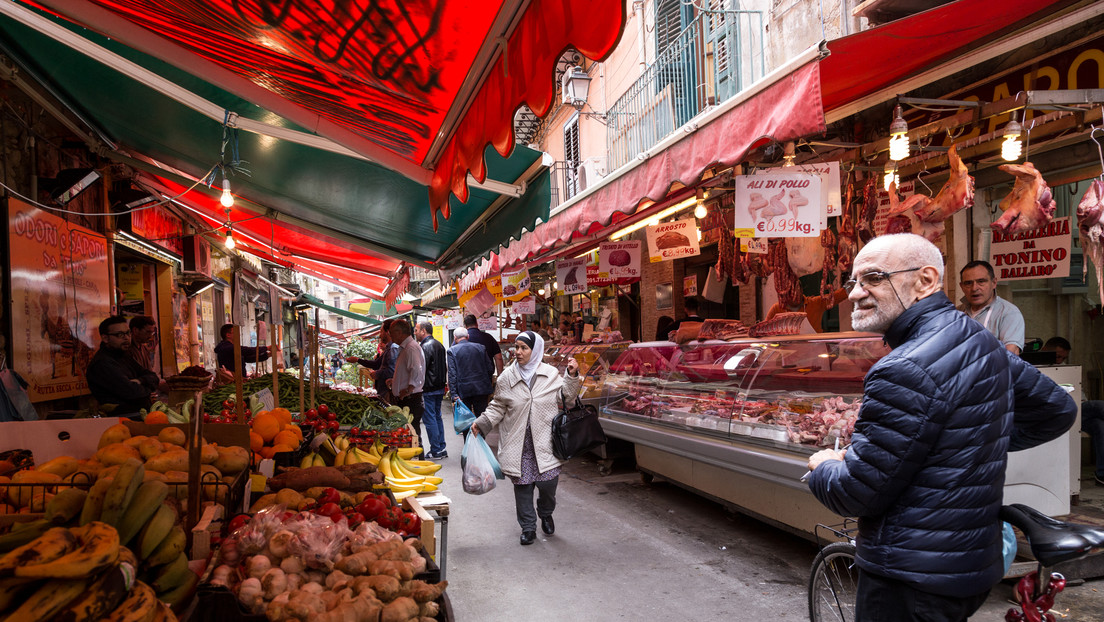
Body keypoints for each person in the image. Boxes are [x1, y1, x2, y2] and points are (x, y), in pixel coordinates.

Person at [805, 234, 1077, 621]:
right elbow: (1057, 407)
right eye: (853, 282)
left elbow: (856, 494)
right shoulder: (978, 339)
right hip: (972, 564)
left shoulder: (902, 368)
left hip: (910, 576)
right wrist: (966, 442)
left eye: (873, 278)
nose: (855, 294)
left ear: (926, 281)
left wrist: (824, 464)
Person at [471, 331, 581, 546]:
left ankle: (546, 513)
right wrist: (482, 423)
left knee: (548, 484)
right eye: (517, 347)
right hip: (518, 444)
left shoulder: (550, 374)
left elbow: (568, 396)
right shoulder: (507, 377)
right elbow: (497, 407)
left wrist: (572, 375)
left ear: (535, 350)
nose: (518, 352)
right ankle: (528, 527)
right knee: (523, 488)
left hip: (545, 442)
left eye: (524, 348)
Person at [85, 316, 160, 416]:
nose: (126, 338)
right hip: (119, 421)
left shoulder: (124, 355)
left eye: (128, 333)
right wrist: (147, 388)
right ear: (105, 338)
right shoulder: (102, 363)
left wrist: (140, 381)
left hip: (139, 416)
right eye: (120, 334)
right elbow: (133, 392)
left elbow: (153, 377)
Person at [958, 260, 1025, 354]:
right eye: (968, 283)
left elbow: (1010, 354)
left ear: (994, 283)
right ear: (961, 286)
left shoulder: (1008, 312)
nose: (974, 288)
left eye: (981, 281)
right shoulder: (956, 313)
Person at [389, 320, 426, 450]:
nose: (390, 336)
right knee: (410, 435)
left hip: (410, 399)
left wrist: (409, 389)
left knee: (413, 436)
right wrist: (395, 382)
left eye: (392, 333)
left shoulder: (411, 348)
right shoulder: (407, 347)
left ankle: (420, 465)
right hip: (407, 398)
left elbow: (416, 369)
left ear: (399, 333)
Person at [447, 327, 495, 423]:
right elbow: (490, 369)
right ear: (468, 336)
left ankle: (468, 438)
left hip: (463, 391)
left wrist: (454, 394)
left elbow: (452, 374)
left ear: (455, 338)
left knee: (466, 422)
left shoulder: (452, 351)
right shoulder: (481, 347)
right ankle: (481, 437)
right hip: (481, 389)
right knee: (481, 420)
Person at [416, 321, 448, 459]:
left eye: (417, 330)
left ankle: (435, 450)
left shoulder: (425, 347)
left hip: (429, 388)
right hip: (439, 387)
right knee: (436, 417)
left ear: (423, 331)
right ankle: (441, 448)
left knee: (430, 419)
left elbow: (421, 369)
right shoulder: (439, 345)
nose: (415, 333)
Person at [348, 319, 399, 402]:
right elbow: (376, 364)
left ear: (388, 332)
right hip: (383, 391)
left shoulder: (393, 349)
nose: (380, 335)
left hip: (388, 392)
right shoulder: (389, 348)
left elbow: (391, 371)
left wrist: (377, 373)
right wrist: (357, 360)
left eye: (381, 331)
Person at [765, 289, 849, 333]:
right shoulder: (777, 308)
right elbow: (764, 330)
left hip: (815, 357)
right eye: (790, 293)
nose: (794, 296)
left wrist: (856, 284)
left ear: (801, 290)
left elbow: (838, 296)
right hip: (789, 361)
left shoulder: (814, 303)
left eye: (796, 292)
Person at [1083, 400, 1104, 486]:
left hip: (1085, 417)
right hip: (1071, 405)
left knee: (1100, 426)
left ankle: (1101, 475)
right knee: (1099, 406)